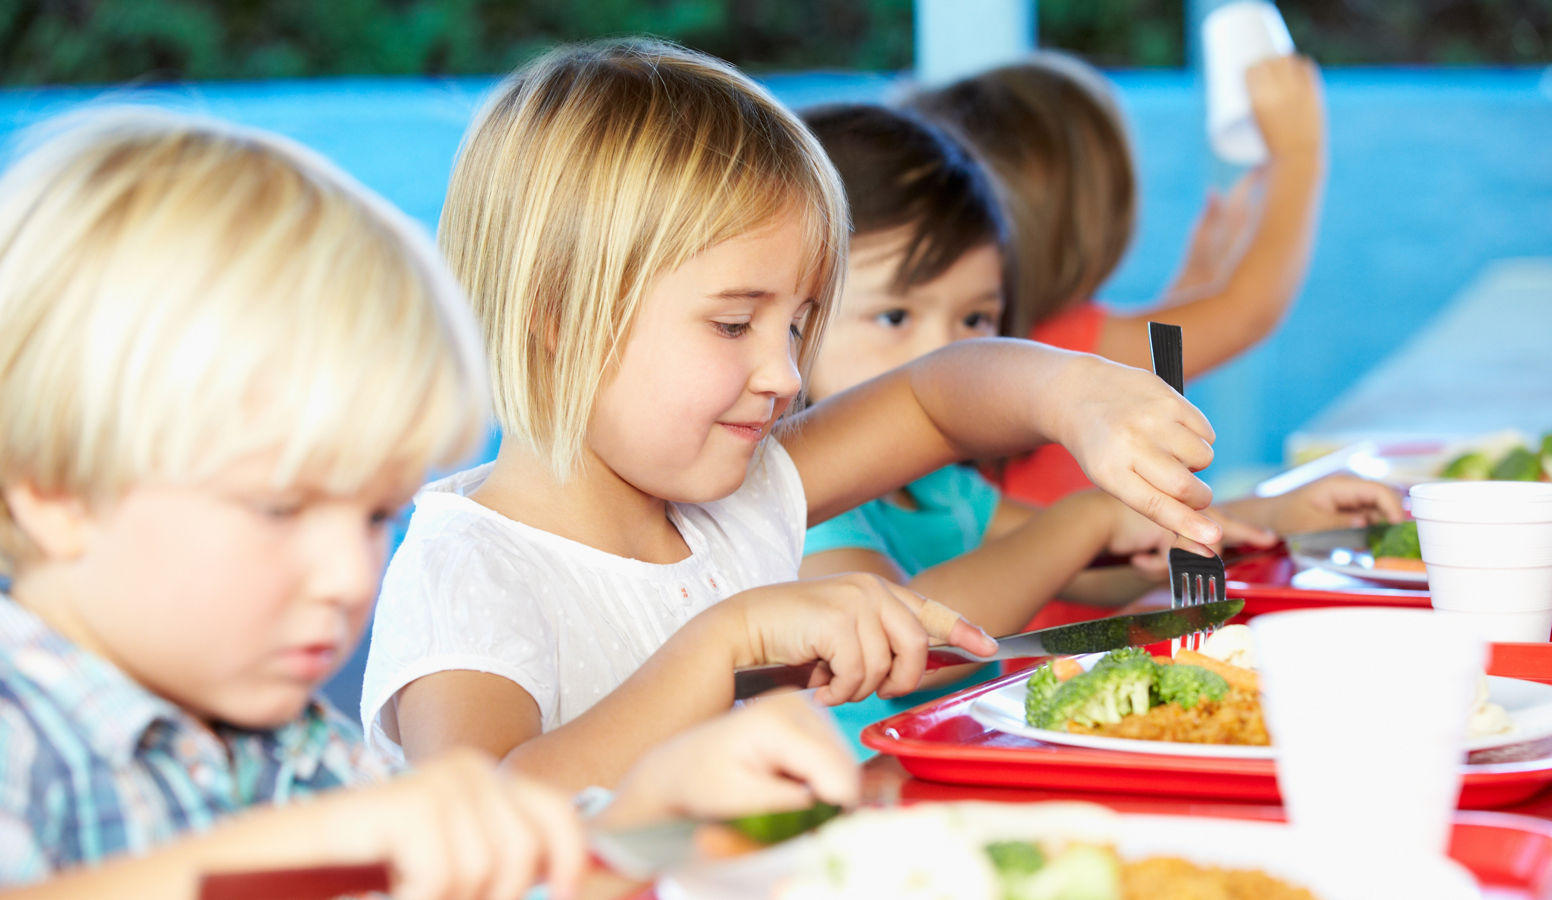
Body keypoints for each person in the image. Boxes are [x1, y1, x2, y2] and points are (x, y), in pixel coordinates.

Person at [0, 108, 859, 900]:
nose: (349, 578)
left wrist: (643, 819)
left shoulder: (298, 747)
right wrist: (286, 855)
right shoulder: (22, 741)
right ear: (53, 489)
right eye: (279, 508)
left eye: (375, 517)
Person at [362, 38, 1223, 794]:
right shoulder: (468, 570)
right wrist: (726, 642)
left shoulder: (738, 500)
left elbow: (937, 400)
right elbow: (485, 812)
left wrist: (1076, 396)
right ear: (555, 315)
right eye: (734, 324)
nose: (783, 372)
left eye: (801, 324)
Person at [795, 103, 1402, 749]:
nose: (946, 351)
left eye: (975, 319)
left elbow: (1089, 567)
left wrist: (1269, 518)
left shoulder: (940, 489)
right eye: (895, 317)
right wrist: (1085, 518)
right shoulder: (800, 506)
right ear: (793, 316)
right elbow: (912, 649)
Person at [905, 50, 1327, 505]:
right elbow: (1247, 312)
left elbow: (1155, 361)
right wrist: (1298, 155)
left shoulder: (998, 344)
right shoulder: (1054, 348)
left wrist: (1197, 282)